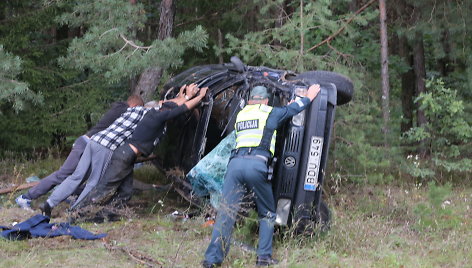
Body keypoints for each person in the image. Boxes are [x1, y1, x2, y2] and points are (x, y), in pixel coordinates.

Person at [202, 84, 320, 267]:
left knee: (226, 214)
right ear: (265, 100)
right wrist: (310, 96)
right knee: (267, 213)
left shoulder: (242, 114)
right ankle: (263, 257)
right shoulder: (269, 112)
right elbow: (294, 109)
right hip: (256, 165)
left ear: (250, 100)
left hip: (234, 166)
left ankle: (211, 260)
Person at [70, 84, 208, 211]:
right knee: (103, 189)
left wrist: (183, 95)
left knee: (125, 192)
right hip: (124, 156)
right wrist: (200, 97)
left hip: (126, 156)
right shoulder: (157, 115)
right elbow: (181, 108)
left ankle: (111, 213)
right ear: (162, 108)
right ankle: (77, 212)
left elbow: (174, 105)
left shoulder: (153, 114)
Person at [15, 95, 144, 210]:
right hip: (87, 144)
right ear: (135, 105)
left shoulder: (120, 109)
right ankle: (26, 197)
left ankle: (70, 198)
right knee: (64, 174)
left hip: (89, 144)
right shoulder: (124, 110)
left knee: (82, 177)